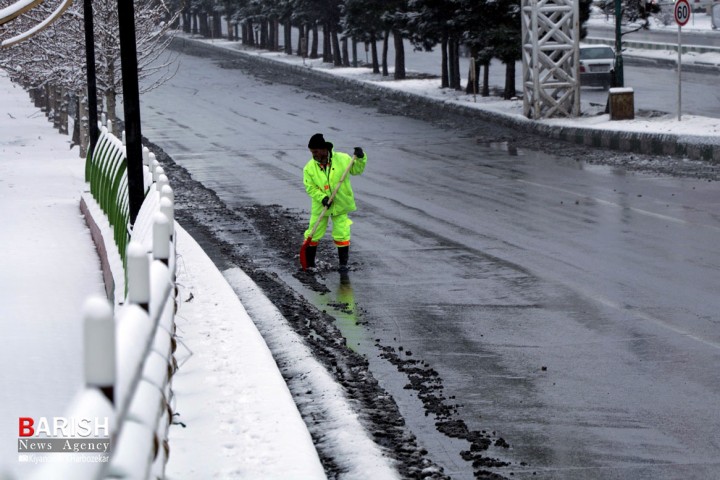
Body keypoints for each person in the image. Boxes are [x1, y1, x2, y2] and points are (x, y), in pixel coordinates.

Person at [303, 133, 367, 273]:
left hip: (340, 204)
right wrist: (322, 198)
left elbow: (357, 169)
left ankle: (343, 265)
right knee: (313, 234)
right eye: (312, 152)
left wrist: (361, 158)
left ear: (324, 149)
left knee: (342, 234)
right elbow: (310, 187)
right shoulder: (309, 168)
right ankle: (309, 265)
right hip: (321, 206)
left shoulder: (343, 159)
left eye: (315, 151)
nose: (314, 155)